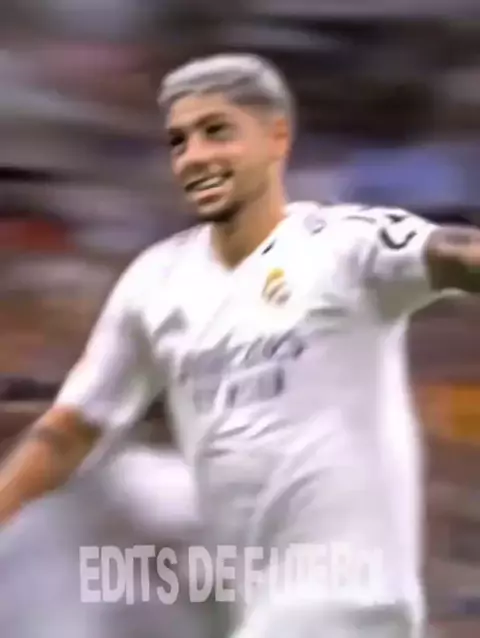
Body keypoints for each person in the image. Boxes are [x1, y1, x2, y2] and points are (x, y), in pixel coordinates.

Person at [0, 53, 479, 637]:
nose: (196, 156)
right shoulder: (153, 282)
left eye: (217, 132)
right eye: (181, 141)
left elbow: (450, 255)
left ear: (277, 138)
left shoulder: (343, 245)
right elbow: (71, 429)